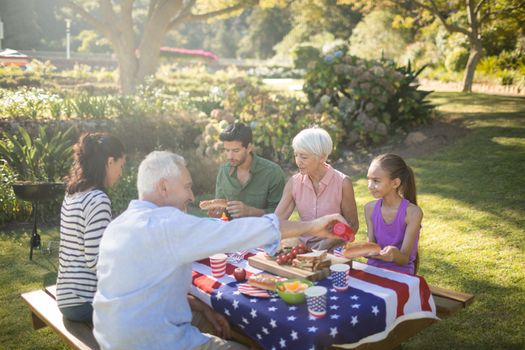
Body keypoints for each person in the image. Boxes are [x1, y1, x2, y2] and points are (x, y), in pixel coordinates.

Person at [93, 150, 346, 350]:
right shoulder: (166, 225)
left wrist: (202, 308)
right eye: (187, 186)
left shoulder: (118, 225)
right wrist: (312, 226)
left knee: (226, 323)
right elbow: (237, 233)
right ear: (163, 187)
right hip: (153, 342)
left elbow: (143, 290)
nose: (191, 196)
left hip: (114, 336)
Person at [56, 132, 126, 323]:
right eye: (121, 166)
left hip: (66, 296)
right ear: (110, 162)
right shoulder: (98, 199)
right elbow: (96, 262)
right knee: (147, 306)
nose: (121, 172)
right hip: (84, 302)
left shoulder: (74, 193)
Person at [275, 127, 359, 251]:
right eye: (296, 155)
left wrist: (328, 243)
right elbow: (276, 222)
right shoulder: (294, 183)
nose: (298, 161)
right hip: (301, 246)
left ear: (322, 157)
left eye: (304, 157)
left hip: (333, 248)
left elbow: (352, 225)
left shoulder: (343, 183)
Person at [364, 153, 423, 275]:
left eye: (376, 181)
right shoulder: (369, 208)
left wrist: (394, 254)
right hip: (373, 269)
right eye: (368, 179)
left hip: (401, 273)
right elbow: (371, 245)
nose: (370, 186)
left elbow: (404, 259)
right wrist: (366, 250)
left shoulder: (413, 213)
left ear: (395, 183)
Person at [214, 122, 285, 218]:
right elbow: (221, 210)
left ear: (249, 148)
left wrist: (251, 211)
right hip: (232, 230)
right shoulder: (224, 171)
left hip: (262, 231)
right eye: (227, 150)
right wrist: (217, 213)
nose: (230, 156)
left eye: (236, 151)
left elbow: (281, 214)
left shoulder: (273, 172)